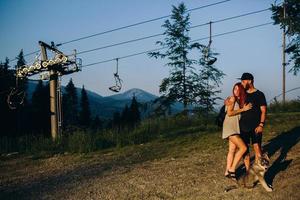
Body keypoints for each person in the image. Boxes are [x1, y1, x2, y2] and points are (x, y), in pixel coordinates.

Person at [222, 82, 252, 180]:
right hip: (230, 127)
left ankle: (227, 172)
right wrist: (243, 109)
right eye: (234, 89)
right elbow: (230, 113)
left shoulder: (237, 100)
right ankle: (232, 169)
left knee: (232, 150)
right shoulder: (233, 98)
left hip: (234, 127)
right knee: (243, 148)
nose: (236, 91)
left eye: (238, 89)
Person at [239, 72, 267, 172]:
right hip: (243, 127)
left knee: (257, 149)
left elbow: (263, 111)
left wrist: (261, 125)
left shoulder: (259, 94)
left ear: (250, 81)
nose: (241, 83)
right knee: (245, 150)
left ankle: (258, 171)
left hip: (256, 126)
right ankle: (248, 172)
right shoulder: (242, 94)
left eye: (243, 81)